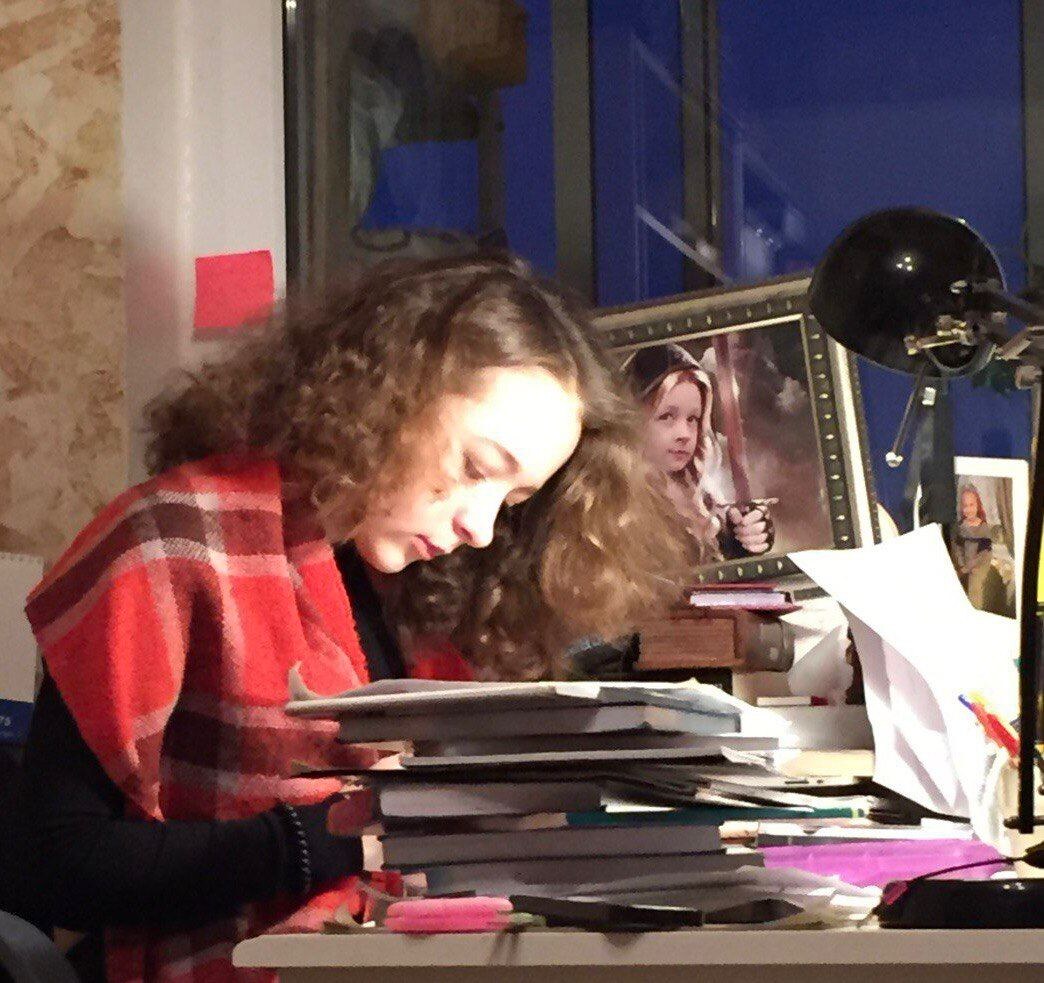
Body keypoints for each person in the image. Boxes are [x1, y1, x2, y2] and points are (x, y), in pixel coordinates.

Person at [16, 255, 689, 983]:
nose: (482, 526)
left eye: (514, 500)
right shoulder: (174, 543)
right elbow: (54, 865)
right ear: (386, 399)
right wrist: (336, 837)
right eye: (475, 468)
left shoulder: (432, 604)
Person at [625, 343, 773, 562]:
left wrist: (743, 540)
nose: (684, 434)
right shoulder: (614, 508)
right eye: (667, 416)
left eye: (692, 419)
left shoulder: (702, 497)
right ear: (632, 419)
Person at [951, 484, 1009, 615]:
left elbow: (984, 554)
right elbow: (957, 548)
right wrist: (961, 564)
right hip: (965, 563)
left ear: (978, 505)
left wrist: (967, 568)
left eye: (971, 505)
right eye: (965, 506)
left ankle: (975, 611)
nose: (968, 509)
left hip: (979, 564)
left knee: (975, 586)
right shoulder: (961, 527)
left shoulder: (983, 528)